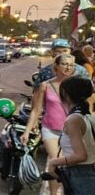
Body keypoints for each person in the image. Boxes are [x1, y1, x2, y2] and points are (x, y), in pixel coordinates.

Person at [24, 53, 78, 195]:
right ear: (56, 66)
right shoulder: (45, 85)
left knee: (71, 165)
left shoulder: (78, 85)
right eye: (65, 64)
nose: (68, 67)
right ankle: (54, 193)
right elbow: (36, 110)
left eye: (71, 65)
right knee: (55, 162)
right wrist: (27, 130)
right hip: (50, 130)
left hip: (72, 132)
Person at [44, 77, 95, 194]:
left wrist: (54, 162)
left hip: (81, 175)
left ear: (65, 94)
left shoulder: (73, 120)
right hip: (86, 173)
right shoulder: (87, 116)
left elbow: (81, 156)